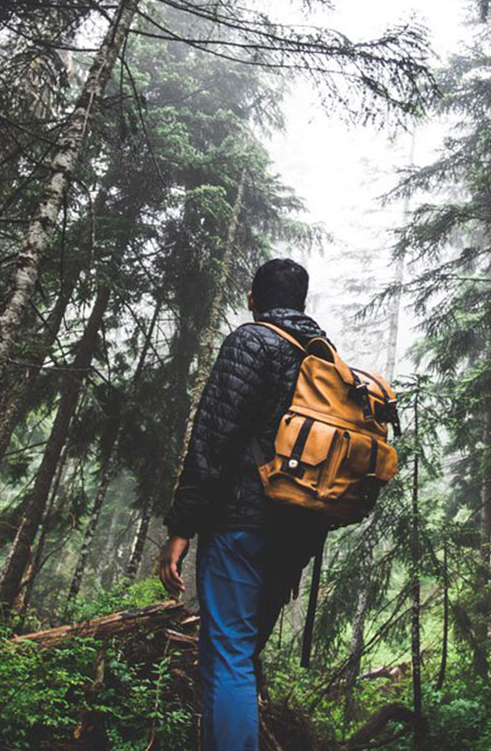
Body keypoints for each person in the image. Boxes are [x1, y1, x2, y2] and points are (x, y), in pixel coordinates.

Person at [158, 257, 330, 751]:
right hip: (296, 532)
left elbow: (213, 439)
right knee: (242, 653)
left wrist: (181, 527)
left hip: (240, 523)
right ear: (302, 304)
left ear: (253, 299)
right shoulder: (323, 358)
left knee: (228, 655)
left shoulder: (252, 340)